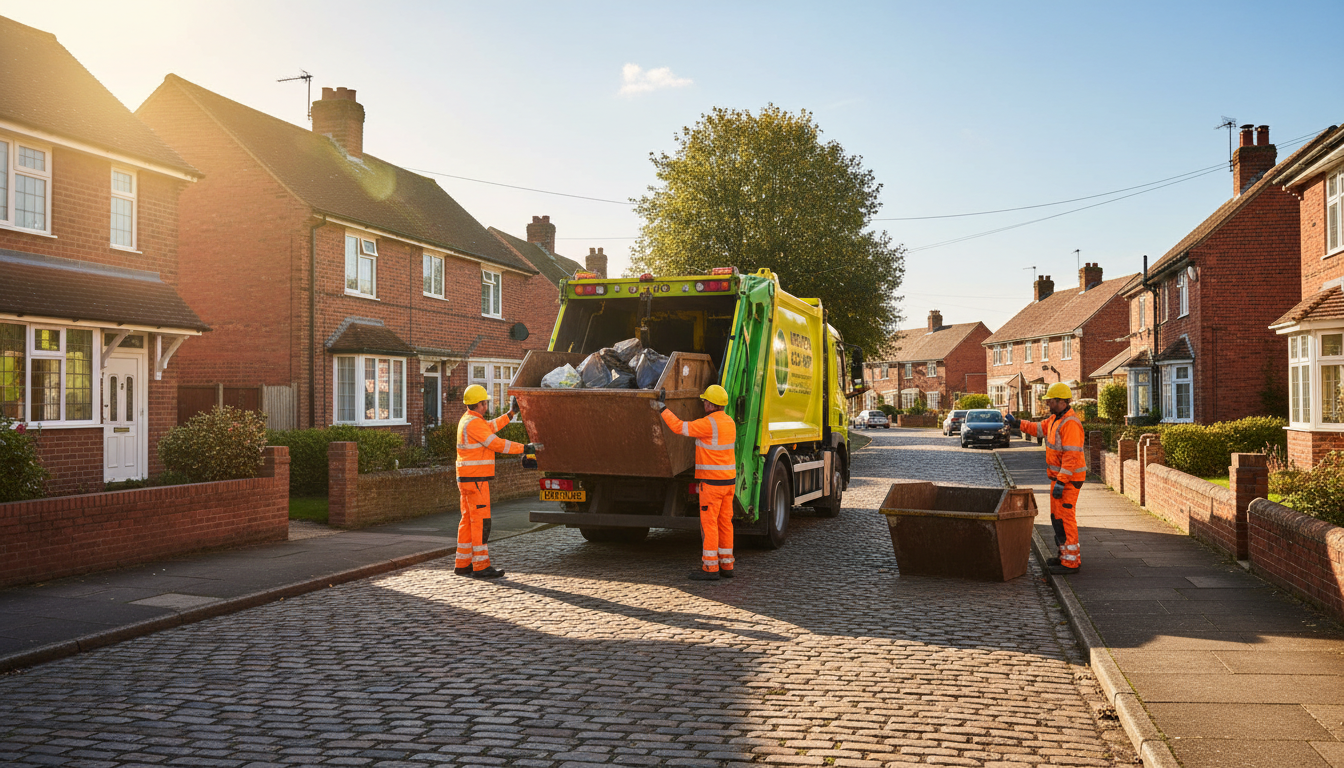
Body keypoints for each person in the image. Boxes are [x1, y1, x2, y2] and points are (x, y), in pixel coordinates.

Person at [655, 384, 737, 581]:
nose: (703, 403)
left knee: (709, 525)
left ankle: (710, 569)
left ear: (710, 404)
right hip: (728, 483)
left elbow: (678, 427)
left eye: (704, 401)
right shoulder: (730, 422)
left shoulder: (708, 424)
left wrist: (661, 407)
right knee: (725, 523)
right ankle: (727, 565)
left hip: (711, 484)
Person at [1004, 382, 1086, 575]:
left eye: (1051, 401)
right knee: (1056, 518)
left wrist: (1061, 481)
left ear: (1061, 401)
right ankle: (1064, 556)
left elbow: (1071, 456)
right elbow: (1038, 429)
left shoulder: (1070, 423)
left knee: (1065, 519)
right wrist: (1018, 423)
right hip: (1059, 480)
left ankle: (1071, 562)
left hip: (1067, 481)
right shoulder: (1055, 420)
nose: (1048, 404)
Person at [455, 385, 529, 579]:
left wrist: (511, 413)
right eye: (485, 403)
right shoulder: (474, 423)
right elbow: (496, 443)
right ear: (480, 404)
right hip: (476, 480)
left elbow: (491, 427)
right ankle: (481, 566)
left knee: (468, 522)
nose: (486, 406)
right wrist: (525, 448)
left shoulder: (469, 420)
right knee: (481, 523)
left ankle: (462, 564)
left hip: (467, 479)